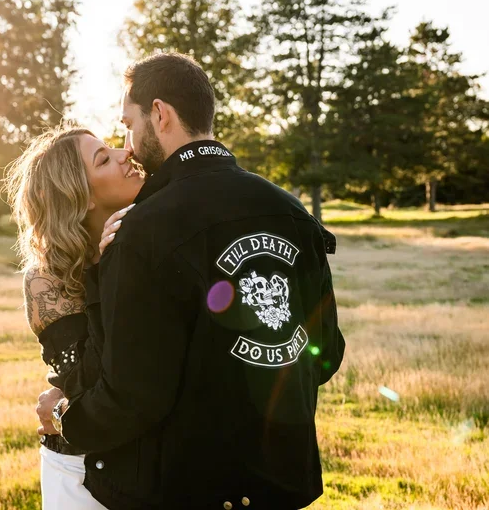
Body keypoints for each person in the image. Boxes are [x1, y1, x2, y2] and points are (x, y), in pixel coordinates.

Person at [36, 52, 345, 510]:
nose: (129, 144)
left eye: (128, 124)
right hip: (281, 484)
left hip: (186, 489)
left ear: (159, 115)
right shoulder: (292, 211)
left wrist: (66, 420)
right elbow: (324, 354)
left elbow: (134, 397)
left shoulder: (138, 230)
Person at [4, 125, 144, 509]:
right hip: (81, 472)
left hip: (153, 464)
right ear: (79, 200)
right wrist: (103, 275)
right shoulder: (46, 280)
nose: (124, 154)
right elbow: (89, 386)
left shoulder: (151, 241)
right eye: (103, 158)